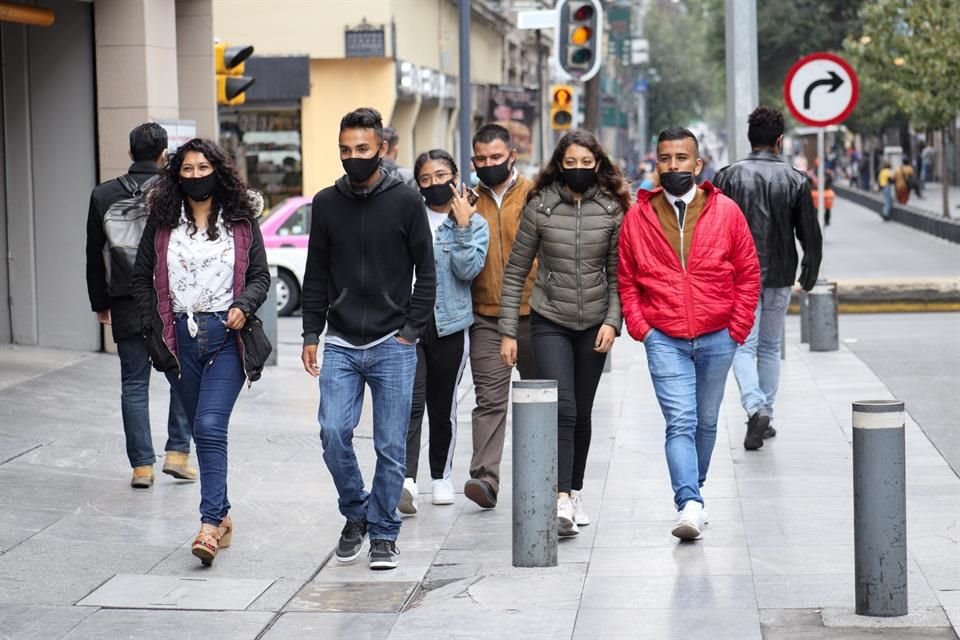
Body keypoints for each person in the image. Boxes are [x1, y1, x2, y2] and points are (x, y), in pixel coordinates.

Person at [300, 108, 435, 570]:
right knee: (333, 432)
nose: (352, 157)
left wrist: (410, 330)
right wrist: (310, 332)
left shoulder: (406, 201)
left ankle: (382, 532)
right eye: (344, 150)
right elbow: (315, 271)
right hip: (339, 339)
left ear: (381, 149)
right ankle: (356, 512)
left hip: (392, 343)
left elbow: (427, 274)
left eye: (361, 149)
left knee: (390, 446)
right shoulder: (326, 202)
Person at [131, 138, 271, 566]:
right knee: (199, 426)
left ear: (218, 171)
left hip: (227, 335)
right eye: (187, 170)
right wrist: (152, 327)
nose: (195, 176)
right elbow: (140, 279)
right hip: (179, 338)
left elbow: (260, 277)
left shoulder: (241, 221)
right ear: (177, 175)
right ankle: (223, 514)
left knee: (209, 427)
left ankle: (209, 525)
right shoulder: (163, 223)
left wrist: (243, 306)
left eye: (203, 168)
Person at [618, 127, 760, 541]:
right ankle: (689, 503)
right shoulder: (638, 217)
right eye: (666, 159)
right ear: (655, 163)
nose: (673, 166)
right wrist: (641, 326)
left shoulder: (727, 212)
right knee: (679, 421)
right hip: (664, 335)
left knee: (707, 421)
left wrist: (737, 328)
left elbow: (749, 273)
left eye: (682, 159)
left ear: (698, 165)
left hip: (719, 334)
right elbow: (626, 277)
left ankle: (693, 490)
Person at [498, 130, 629, 536]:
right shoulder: (540, 207)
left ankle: (574, 491)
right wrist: (507, 331)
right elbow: (516, 270)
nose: (577, 170)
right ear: (559, 164)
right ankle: (559, 498)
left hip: (593, 324)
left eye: (585, 164)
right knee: (564, 408)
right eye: (569, 163)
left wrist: (612, 321)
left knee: (584, 413)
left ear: (597, 165)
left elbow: (617, 275)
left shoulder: (612, 210)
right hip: (548, 319)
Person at [85, 123, 195, 489]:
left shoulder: (103, 195)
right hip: (172, 299)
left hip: (127, 299)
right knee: (180, 375)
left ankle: (142, 467)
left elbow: (93, 254)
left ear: (131, 153)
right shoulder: (177, 190)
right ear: (165, 153)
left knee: (133, 383)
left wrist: (101, 301)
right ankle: (178, 453)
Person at [714, 107, 823, 449]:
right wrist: (810, 269)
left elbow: (713, 231)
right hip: (779, 273)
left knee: (742, 346)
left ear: (750, 139)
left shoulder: (727, 177)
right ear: (779, 141)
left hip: (737, 276)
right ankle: (765, 415)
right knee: (770, 347)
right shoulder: (795, 179)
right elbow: (810, 233)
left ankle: (753, 406)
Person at [399, 149, 489, 515]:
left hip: (451, 324)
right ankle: (405, 479)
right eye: (426, 179)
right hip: (410, 322)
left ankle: (440, 477)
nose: (434, 184)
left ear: (455, 174)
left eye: (441, 175)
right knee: (409, 401)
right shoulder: (408, 216)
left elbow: (468, 271)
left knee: (443, 405)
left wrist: (464, 225)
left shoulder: (473, 222)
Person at [464, 123, 538, 509]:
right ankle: (485, 480)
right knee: (489, 400)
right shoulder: (466, 199)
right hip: (486, 317)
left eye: (496, 157)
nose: (489, 164)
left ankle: (546, 482)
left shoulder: (536, 195)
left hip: (536, 316)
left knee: (541, 400)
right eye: (481, 159)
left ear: (512, 156)